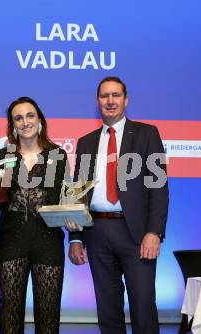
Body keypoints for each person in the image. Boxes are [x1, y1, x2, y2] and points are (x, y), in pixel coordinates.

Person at [68, 76, 169, 334]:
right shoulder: (86, 142)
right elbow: (79, 193)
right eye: (104, 96)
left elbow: (159, 188)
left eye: (115, 95)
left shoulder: (147, 134)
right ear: (97, 101)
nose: (110, 101)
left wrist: (154, 232)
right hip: (97, 233)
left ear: (126, 99)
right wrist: (76, 238)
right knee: (108, 308)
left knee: (143, 305)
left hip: (136, 234)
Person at [0, 96, 69, 334]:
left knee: (48, 321)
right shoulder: (3, 157)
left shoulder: (57, 156)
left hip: (48, 241)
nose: (25, 122)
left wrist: (73, 218)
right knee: (9, 319)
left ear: (40, 119)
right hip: (12, 241)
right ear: (12, 125)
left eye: (30, 116)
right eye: (18, 118)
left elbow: (63, 199)